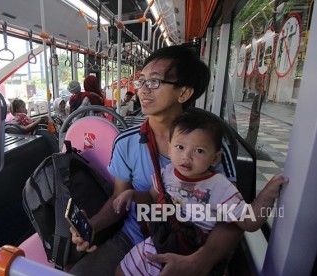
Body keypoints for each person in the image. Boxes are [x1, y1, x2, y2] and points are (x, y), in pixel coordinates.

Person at [69, 45, 244, 276]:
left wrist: (200, 262)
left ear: (183, 93)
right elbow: (118, 200)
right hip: (134, 238)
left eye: (154, 82)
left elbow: (233, 219)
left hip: (192, 247)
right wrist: (93, 225)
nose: (142, 90)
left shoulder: (209, 147)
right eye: (140, 81)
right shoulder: (127, 143)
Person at [113, 112, 289, 275]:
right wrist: (133, 195)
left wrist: (267, 193)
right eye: (180, 147)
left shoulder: (219, 186)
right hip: (158, 241)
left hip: (190, 250)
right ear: (169, 149)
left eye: (199, 151)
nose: (186, 157)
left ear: (215, 158)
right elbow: (152, 198)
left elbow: (250, 222)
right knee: (121, 270)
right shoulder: (167, 173)